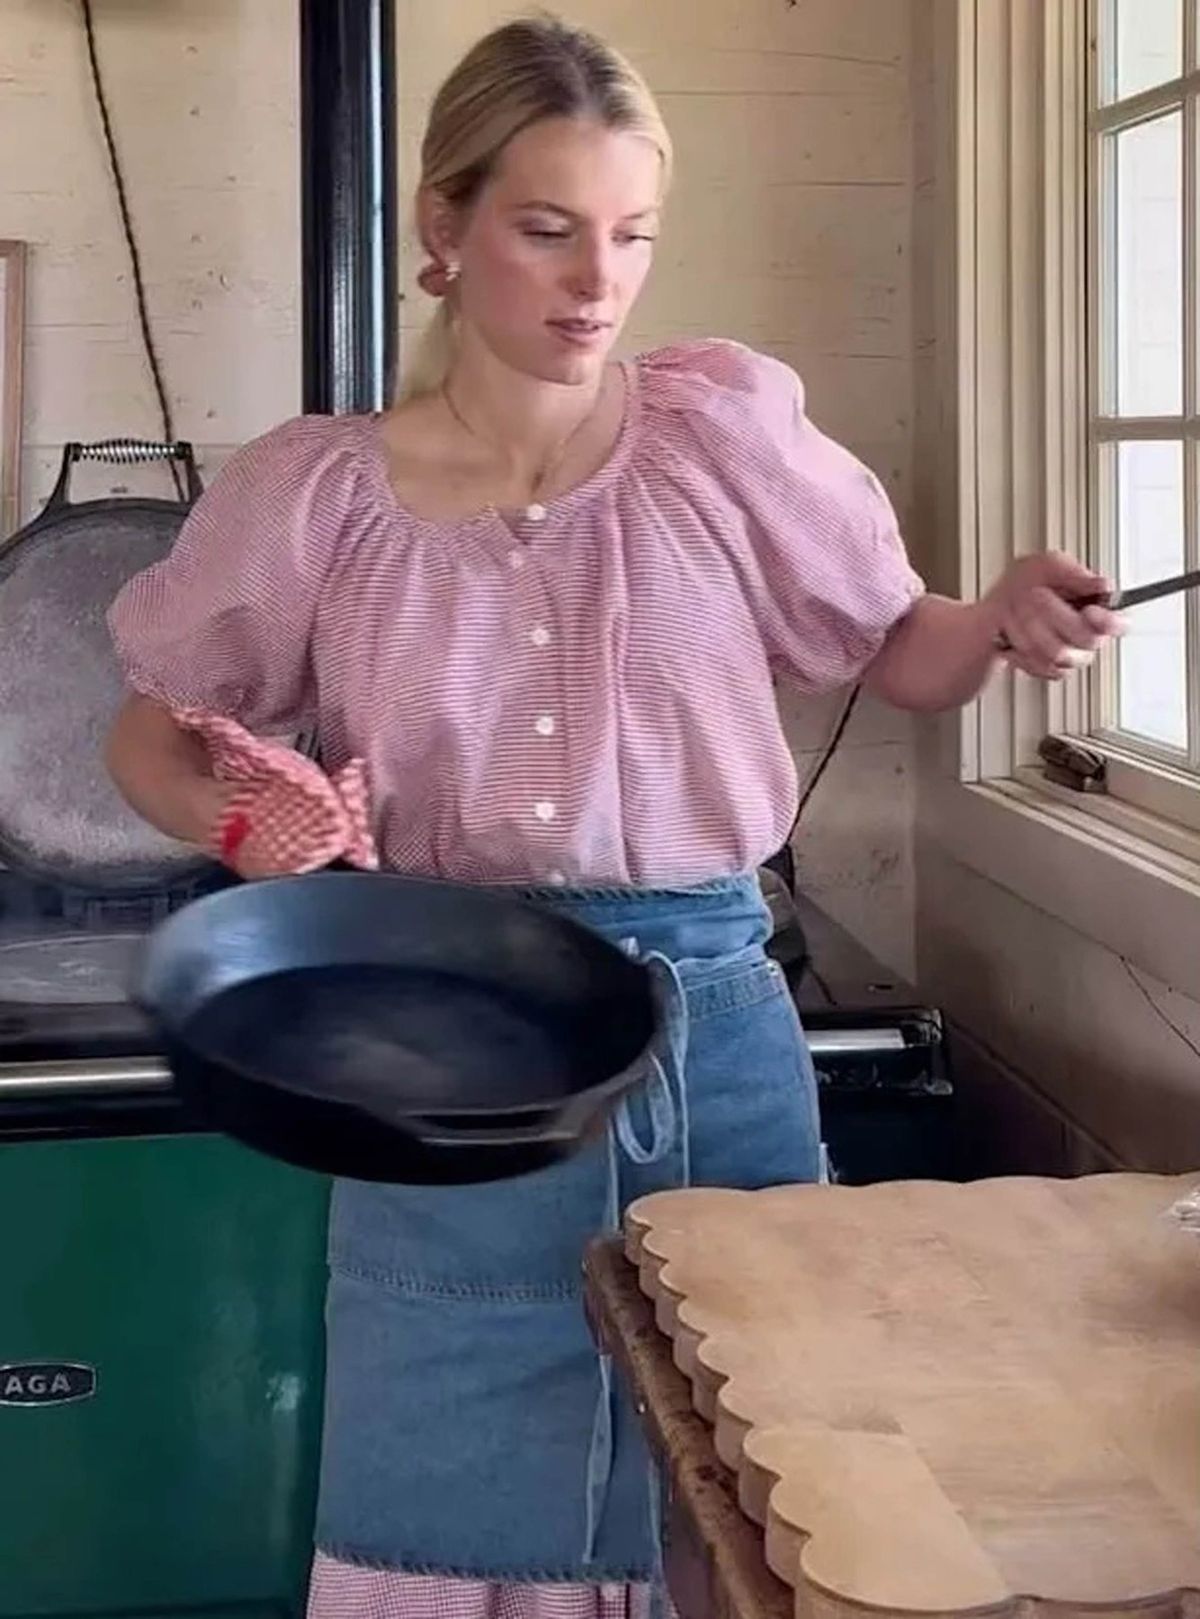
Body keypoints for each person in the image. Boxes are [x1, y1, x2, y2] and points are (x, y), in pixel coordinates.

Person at [103, 16, 1122, 1619]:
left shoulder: (721, 434)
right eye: (548, 230)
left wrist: (998, 619)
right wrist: (247, 828)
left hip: (713, 1030)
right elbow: (150, 735)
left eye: (632, 235)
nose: (598, 282)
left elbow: (903, 648)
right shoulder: (316, 496)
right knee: (449, 1498)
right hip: (446, 1048)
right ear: (444, 229)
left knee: (768, 1492)